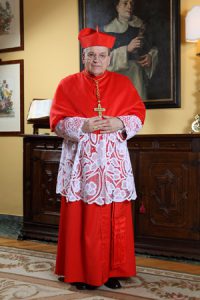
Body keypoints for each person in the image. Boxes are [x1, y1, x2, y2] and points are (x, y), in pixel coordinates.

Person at [50, 27, 146, 290]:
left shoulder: (123, 83)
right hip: (82, 164)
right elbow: (57, 122)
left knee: (115, 217)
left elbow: (137, 116)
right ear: (84, 56)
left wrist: (118, 122)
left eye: (102, 55)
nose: (96, 60)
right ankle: (80, 272)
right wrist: (82, 126)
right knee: (82, 215)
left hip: (113, 163)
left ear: (109, 57)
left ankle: (111, 270)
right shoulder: (67, 84)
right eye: (91, 55)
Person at [104, 0, 158, 99]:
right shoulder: (108, 29)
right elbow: (104, 60)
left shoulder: (142, 26)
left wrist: (150, 56)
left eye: (131, 3)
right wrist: (126, 49)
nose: (129, 6)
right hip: (118, 80)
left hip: (137, 78)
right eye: (125, 3)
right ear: (117, 7)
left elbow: (154, 48)